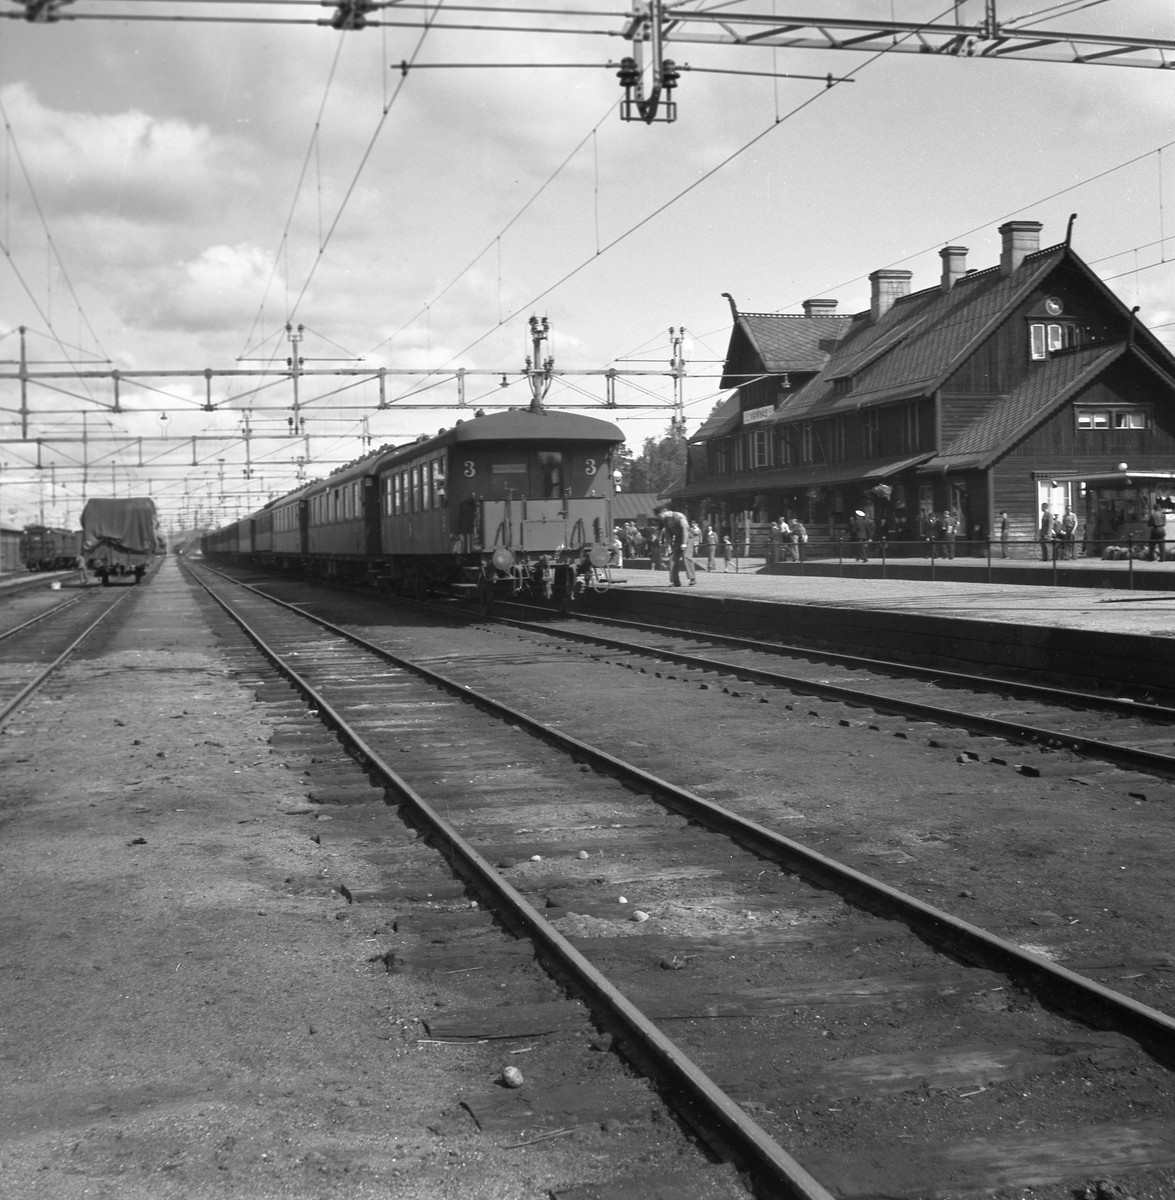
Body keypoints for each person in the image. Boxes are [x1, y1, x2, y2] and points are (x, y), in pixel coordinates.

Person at [654, 505, 697, 587]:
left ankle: (692, 578)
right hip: (677, 539)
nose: (658, 518)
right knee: (672, 559)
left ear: (664, 512)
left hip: (688, 538)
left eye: (659, 516)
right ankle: (675, 581)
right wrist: (669, 546)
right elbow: (668, 533)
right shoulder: (666, 520)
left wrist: (684, 543)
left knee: (686, 557)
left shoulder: (678, 516)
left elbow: (685, 529)